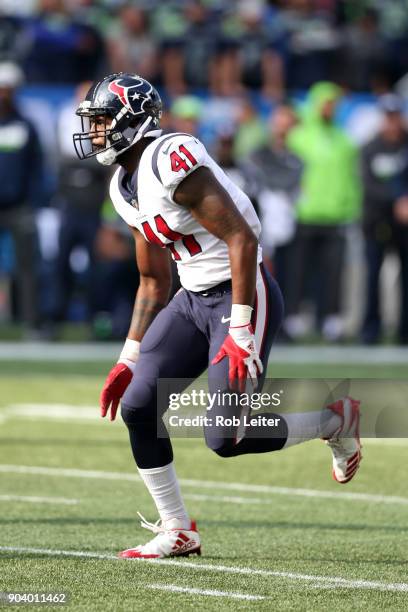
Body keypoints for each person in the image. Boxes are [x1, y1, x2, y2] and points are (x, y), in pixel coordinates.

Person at [73, 72, 362, 559]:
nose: (94, 131)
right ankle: (178, 528)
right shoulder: (123, 186)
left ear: (130, 120)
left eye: (102, 121)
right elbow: (152, 280)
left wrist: (243, 328)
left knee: (225, 437)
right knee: (139, 406)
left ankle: (333, 421)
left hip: (241, 293)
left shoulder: (171, 158)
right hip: (191, 298)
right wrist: (128, 356)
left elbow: (242, 239)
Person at [285, 82, 361, 341]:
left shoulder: (344, 140)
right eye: (327, 102)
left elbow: (351, 178)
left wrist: (351, 207)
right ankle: (293, 316)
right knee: (299, 269)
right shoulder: (298, 136)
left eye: (334, 103)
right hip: (304, 213)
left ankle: (330, 319)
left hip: (336, 215)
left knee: (334, 271)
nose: (331, 108)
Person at [0, 61, 46, 335]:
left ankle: (32, 323)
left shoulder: (26, 126)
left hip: (19, 206)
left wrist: (34, 201)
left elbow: (36, 167)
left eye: (7, 89)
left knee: (28, 266)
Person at [360, 94, 408, 344]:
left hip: (404, 224)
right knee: (372, 276)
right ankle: (370, 329)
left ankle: (404, 331)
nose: (392, 122)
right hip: (376, 221)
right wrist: (398, 200)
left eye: (396, 117)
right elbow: (369, 185)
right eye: (388, 117)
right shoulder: (370, 148)